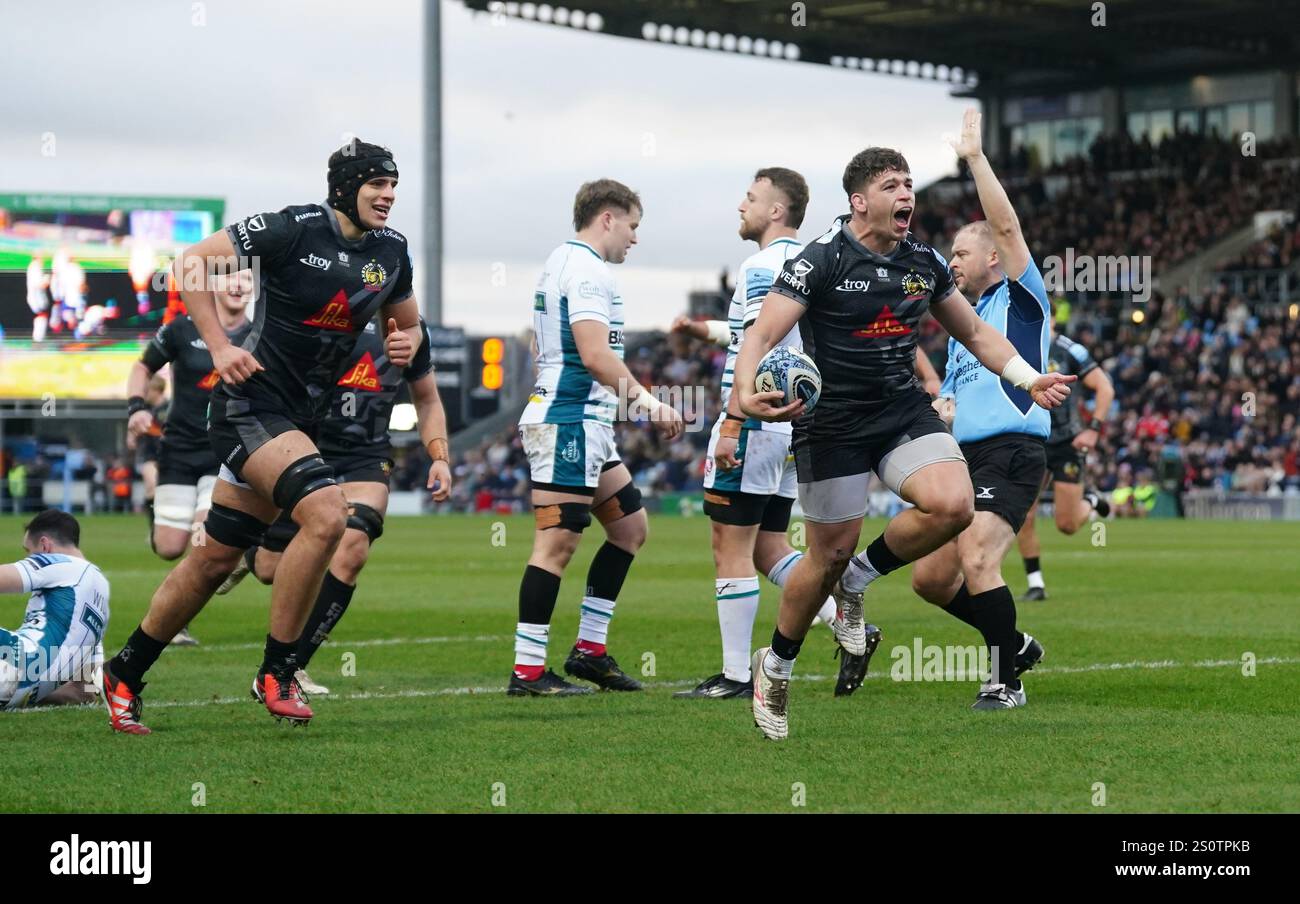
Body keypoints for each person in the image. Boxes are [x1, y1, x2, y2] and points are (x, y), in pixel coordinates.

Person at [735, 129, 1074, 739]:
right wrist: (741, 395)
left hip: (901, 411)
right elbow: (760, 335)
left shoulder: (923, 262)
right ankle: (776, 665)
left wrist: (1028, 378)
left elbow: (975, 334)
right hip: (832, 423)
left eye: (910, 184)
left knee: (953, 504)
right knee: (825, 555)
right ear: (859, 200)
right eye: (891, 185)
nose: (906, 195)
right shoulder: (819, 259)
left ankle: (860, 579)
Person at [101, 140, 422, 733]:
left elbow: (406, 327)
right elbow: (190, 264)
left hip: (298, 421)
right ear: (345, 187)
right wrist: (220, 347)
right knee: (328, 515)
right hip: (248, 407)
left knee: (214, 560)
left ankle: (124, 670)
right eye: (378, 184)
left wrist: (406, 342)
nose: (389, 196)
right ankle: (278, 670)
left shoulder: (392, 250)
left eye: (394, 186)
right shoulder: (290, 228)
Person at [670, 167, 878, 700]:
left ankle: (736, 676)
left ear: (777, 210)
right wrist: (704, 330)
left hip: (757, 421)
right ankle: (847, 623)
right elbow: (769, 331)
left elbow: (763, 344)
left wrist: (734, 421)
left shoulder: (762, 265)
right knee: (768, 548)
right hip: (797, 427)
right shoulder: (815, 262)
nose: (742, 206)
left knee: (729, 546)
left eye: (751, 197)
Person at [907, 107, 1069, 709]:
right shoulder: (964, 326)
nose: (951, 261)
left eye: (959, 253)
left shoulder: (1023, 298)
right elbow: (952, 397)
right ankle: (1014, 643)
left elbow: (1005, 225)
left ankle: (1006, 681)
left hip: (1012, 451)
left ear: (993, 258)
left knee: (977, 558)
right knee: (930, 579)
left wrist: (975, 159)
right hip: (964, 459)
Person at [509, 178, 683, 696]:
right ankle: (528, 672)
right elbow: (594, 354)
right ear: (608, 218)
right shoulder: (587, 270)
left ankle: (589, 651)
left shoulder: (562, 261)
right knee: (556, 545)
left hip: (583, 423)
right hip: (569, 421)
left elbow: (556, 348)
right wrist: (648, 403)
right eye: (633, 225)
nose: (635, 237)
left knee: (629, 528)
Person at [215, 317, 452, 695]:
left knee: (352, 547)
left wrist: (439, 457)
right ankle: (252, 555)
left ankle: (288, 669)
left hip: (365, 457)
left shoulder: (410, 327)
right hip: (304, 446)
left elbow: (427, 399)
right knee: (271, 569)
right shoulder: (316, 307)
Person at [125, 270, 254, 644]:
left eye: (247, 279)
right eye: (230, 278)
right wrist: (136, 407)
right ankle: (237, 544)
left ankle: (175, 621)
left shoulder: (260, 334)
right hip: (178, 450)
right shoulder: (182, 328)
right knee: (169, 547)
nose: (238, 285)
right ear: (214, 285)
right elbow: (142, 367)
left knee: (203, 541)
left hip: (226, 452)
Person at [1015, 329, 1116, 600]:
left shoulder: (1070, 349)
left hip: (1066, 443)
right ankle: (1036, 584)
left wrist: (1093, 429)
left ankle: (1092, 501)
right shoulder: (1016, 341)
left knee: (1067, 524)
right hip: (1032, 439)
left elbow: (1105, 388)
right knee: (1024, 514)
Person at [0, 510, 108, 710]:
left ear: (44, 545)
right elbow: (85, 690)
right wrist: (31, 696)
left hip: (13, 661)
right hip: (22, 691)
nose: (28, 558)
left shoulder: (61, 563)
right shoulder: (100, 597)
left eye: (28, 551)